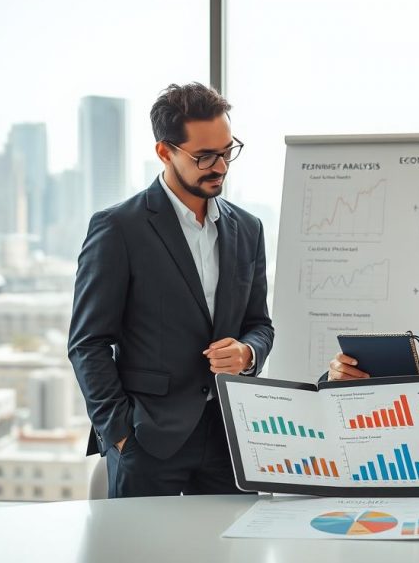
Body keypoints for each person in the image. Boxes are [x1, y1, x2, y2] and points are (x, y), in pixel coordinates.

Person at [69, 82, 274, 498]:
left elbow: (259, 324)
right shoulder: (119, 228)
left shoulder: (248, 228)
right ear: (165, 152)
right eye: (205, 156)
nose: (220, 166)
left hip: (231, 439)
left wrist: (247, 353)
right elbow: (88, 343)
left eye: (227, 151)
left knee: (232, 539)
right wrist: (120, 433)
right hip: (148, 442)